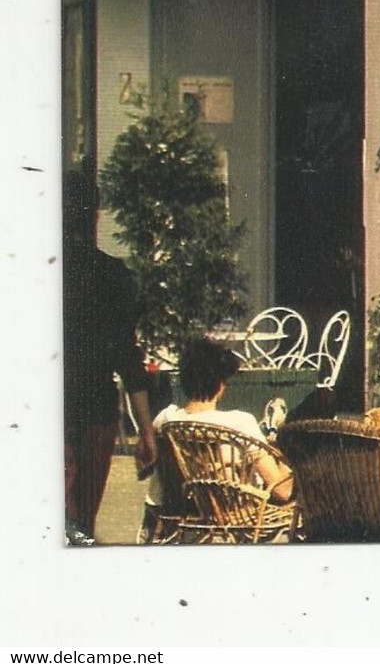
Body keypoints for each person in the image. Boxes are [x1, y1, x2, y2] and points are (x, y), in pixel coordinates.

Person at [62, 171, 157, 544]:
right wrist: (145, 429)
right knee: (82, 524)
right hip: (96, 413)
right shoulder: (112, 275)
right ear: (96, 215)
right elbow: (128, 358)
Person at [148, 337, 294, 518]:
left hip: (187, 511)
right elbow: (282, 492)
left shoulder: (165, 419)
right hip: (239, 513)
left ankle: (269, 432)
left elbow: (144, 464)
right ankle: (274, 432)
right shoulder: (240, 422)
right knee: (287, 462)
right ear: (220, 385)